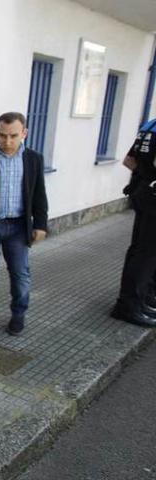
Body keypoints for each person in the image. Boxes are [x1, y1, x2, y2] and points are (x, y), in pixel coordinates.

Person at [0, 112, 48, 339]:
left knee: (21, 274)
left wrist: (41, 224)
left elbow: (39, 194)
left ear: (24, 133)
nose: (7, 141)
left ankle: (18, 315)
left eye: (13, 136)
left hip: (18, 227)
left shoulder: (34, 159)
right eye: (2, 135)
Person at [111, 117, 156, 326]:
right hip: (152, 199)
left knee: (138, 251)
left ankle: (135, 301)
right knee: (146, 255)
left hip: (143, 194)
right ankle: (130, 306)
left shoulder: (151, 125)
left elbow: (129, 160)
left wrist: (145, 178)